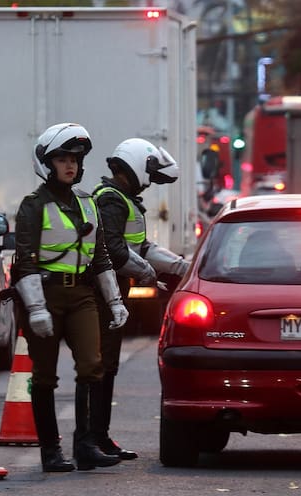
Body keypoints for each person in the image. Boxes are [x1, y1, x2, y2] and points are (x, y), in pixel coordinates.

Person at [11, 122, 129, 472]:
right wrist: (34, 307)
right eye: (62, 158)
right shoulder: (33, 206)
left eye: (76, 159)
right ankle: (50, 451)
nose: (71, 165)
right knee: (45, 375)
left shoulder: (89, 203)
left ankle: (85, 446)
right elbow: (24, 260)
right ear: (47, 163)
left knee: (93, 366)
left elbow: (102, 257)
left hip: (81, 295)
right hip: (45, 294)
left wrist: (115, 301)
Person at [92, 138, 190, 459]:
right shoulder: (111, 201)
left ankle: (100, 438)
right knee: (100, 366)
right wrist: (149, 273)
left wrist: (180, 267)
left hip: (115, 291)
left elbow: (141, 246)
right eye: (147, 171)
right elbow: (115, 251)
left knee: (108, 365)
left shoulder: (123, 199)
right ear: (134, 165)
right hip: (103, 294)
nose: (149, 180)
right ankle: (94, 439)